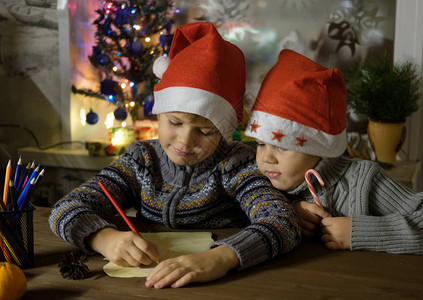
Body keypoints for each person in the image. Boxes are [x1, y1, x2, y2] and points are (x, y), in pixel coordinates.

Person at [49, 23, 300, 289]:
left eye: (205, 131)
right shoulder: (141, 160)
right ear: (159, 113)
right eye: (175, 122)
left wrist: (222, 258)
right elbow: (64, 209)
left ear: (224, 132)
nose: (185, 141)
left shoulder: (236, 165)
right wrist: (103, 238)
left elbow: (282, 222)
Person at [245, 49, 423, 254]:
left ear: (321, 148)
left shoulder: (364, 180)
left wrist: (359, 232)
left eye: (283, 146)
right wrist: (290, 211)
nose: (266, 157)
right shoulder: (260, 183)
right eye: (260, 143)